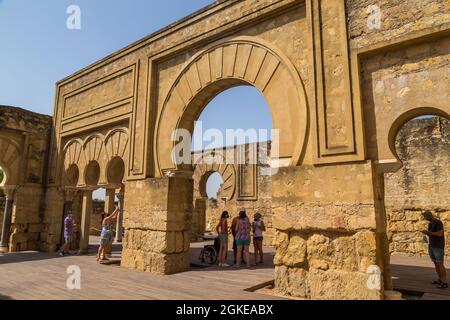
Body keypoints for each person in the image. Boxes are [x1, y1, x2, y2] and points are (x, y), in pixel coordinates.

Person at [421, 210, 448, 289]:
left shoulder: (438, 222)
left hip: (438, 247)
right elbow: (431, 234)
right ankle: (440, 279)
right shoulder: (430, 223)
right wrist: (426, 234)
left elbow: (439, 234)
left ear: (429, 215)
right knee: (436, 264)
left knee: (440, 264)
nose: (425, 218)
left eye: (425, 217)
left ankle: (444, 282)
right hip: (432, 246)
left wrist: (428, 233)